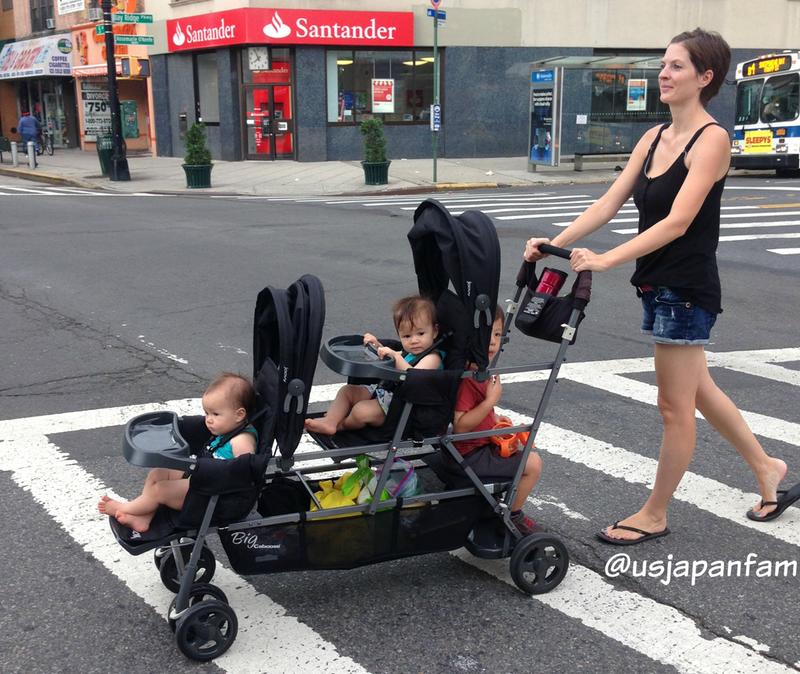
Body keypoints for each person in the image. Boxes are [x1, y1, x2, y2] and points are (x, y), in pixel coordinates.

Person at [524, 28, 796, 545]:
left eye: (675, 66)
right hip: (657, 284)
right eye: (664, 65)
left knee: (675, 406)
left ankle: (655, 512)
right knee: (701, 390)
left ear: (705, 77)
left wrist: (605, 259)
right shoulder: (653, 138)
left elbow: (676, 221)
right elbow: (608, 202)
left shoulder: (711, 139)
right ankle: (767, 469)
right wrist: (550, 244)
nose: (663, 75)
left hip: (686, 288)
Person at [98, 372, 257, 533]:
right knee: (158, 473)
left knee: (160, 489)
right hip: (201, 475)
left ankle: (127, 508)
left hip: (213, 492)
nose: (208, 419)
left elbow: (244, 473)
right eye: (207, 413)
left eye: (215, 414)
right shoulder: (227, 428)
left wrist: (206, 470)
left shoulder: (241, 440)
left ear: (239, 415)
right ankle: (144, 517)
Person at [450, 306, 543, 537]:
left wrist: (493, 417)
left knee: (522, 451)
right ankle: (512, 515)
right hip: (469, 454)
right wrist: (490, 401)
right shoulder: (468, 379)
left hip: (471, 447)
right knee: (532, 464)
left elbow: (474, 413)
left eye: (497, 335)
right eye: (486, 334)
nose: (492, 342)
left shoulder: (478, 371)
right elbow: (461, 425)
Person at [305, 295, 442, 435]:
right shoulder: (409, 352)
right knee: (347, 391)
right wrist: (378, 346)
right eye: (407, 336)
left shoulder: (433, 357)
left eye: (420, 333)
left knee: (361, 411)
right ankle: (330, 421)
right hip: (387, 393)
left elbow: (413, 377)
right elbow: (391, 357)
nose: (414, 340)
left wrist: (395, 356)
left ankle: (342, 425)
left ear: (435, 331)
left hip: (402, 407)